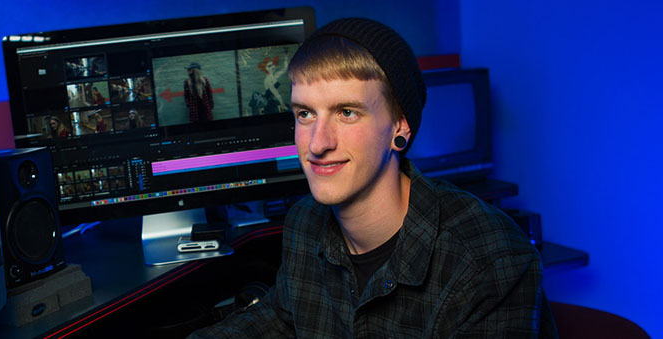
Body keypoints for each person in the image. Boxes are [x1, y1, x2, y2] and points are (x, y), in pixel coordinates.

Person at [190, 18, 555, 338]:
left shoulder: (490, 262)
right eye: (305, 114)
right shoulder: (304, 223)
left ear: (400, 126)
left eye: (346, 112)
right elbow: (281, 320)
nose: (317, 144)